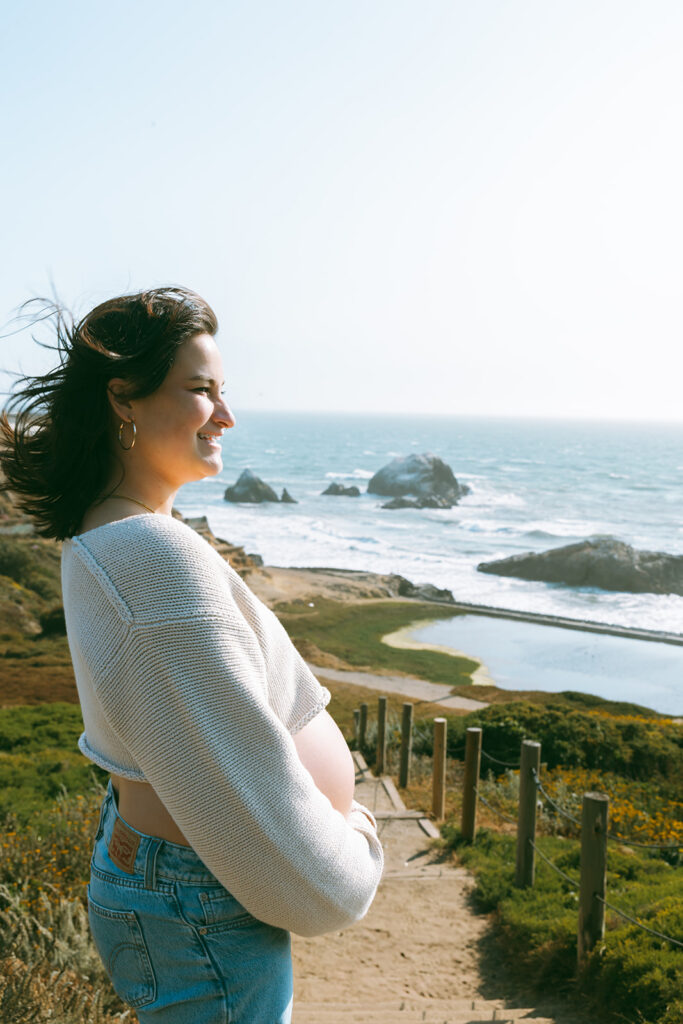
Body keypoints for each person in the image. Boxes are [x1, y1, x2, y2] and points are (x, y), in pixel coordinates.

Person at [0, 286, 384, 1023]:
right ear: (125, 400)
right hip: (203, 900)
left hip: (188, 893)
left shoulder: (119, 535)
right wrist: (357, 843)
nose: (227, 416)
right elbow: (236, 787)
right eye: (201, 391)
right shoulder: (147, 555)